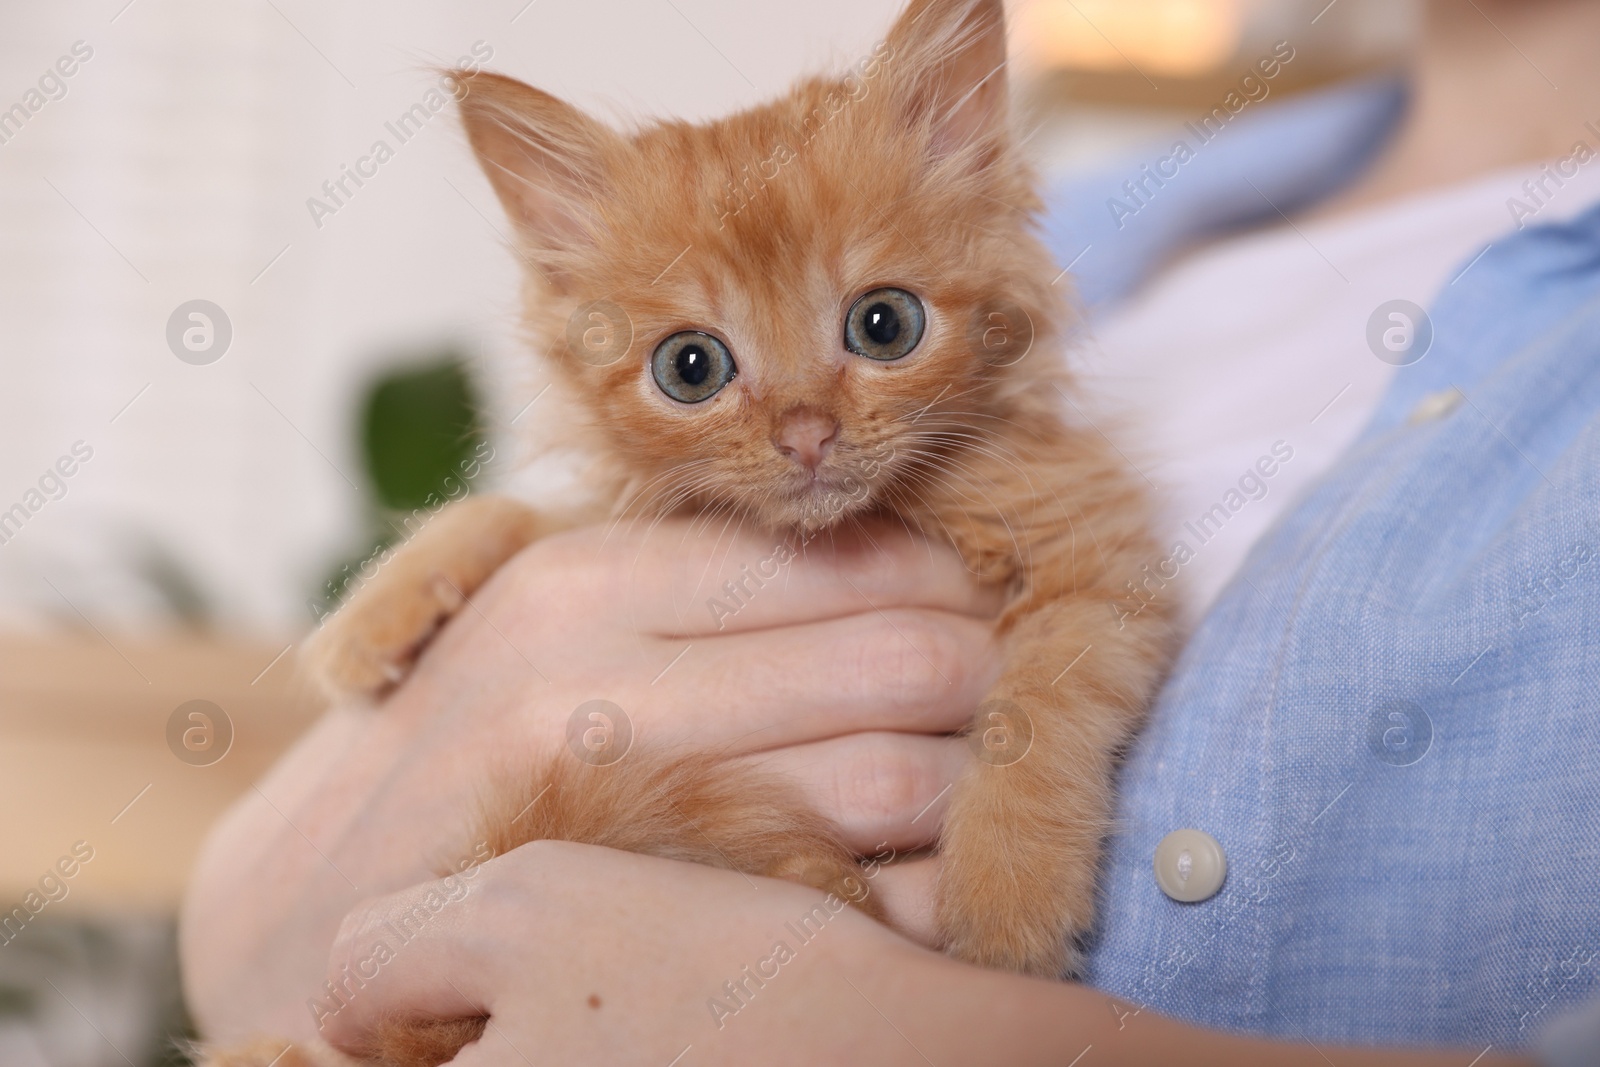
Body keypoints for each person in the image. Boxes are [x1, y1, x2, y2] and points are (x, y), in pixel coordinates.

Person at [180, 0, 1600, 1063]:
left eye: (877, 329)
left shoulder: (1006, 387)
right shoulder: (1143, 212)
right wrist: (253, 912)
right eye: (698, 371)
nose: (803, 429)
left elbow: (1095, 581)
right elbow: (598, 558)